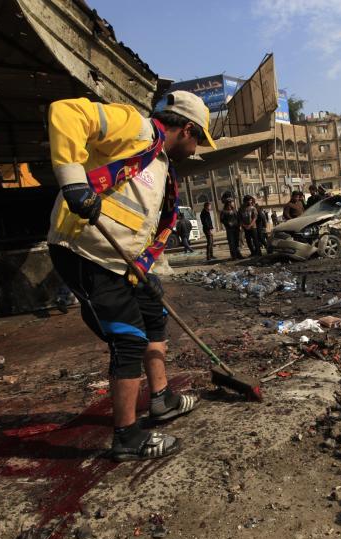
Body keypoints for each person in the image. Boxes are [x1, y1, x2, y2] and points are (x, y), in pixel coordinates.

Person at [46, 90, 214, 461]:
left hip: (121, 262)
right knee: (128, 339)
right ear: (187, 129)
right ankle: (126, 436)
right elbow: (66, 110)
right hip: (83, 253)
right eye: (198, 138)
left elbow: (141, 223)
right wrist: (74, 181)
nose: (196, 147)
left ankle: (161, 400)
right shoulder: (136, 128)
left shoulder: (163, 170)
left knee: (155, 315)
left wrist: (143, 265)